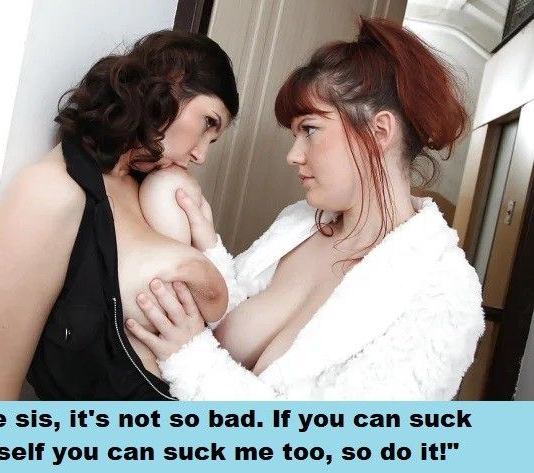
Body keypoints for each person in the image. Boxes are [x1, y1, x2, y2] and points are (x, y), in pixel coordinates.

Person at [125, 17, 486, 400]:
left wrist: (190, 358)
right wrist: (209, 248)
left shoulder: (445, 295)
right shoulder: (299, 223)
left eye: (310, 130)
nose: (293, 155)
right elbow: (231, 324)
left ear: (379, 131)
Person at [0, 30, 238, 400]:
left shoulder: (147, 186)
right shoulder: (51, 194)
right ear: (172, 81)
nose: (201, 155)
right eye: (208, 122)